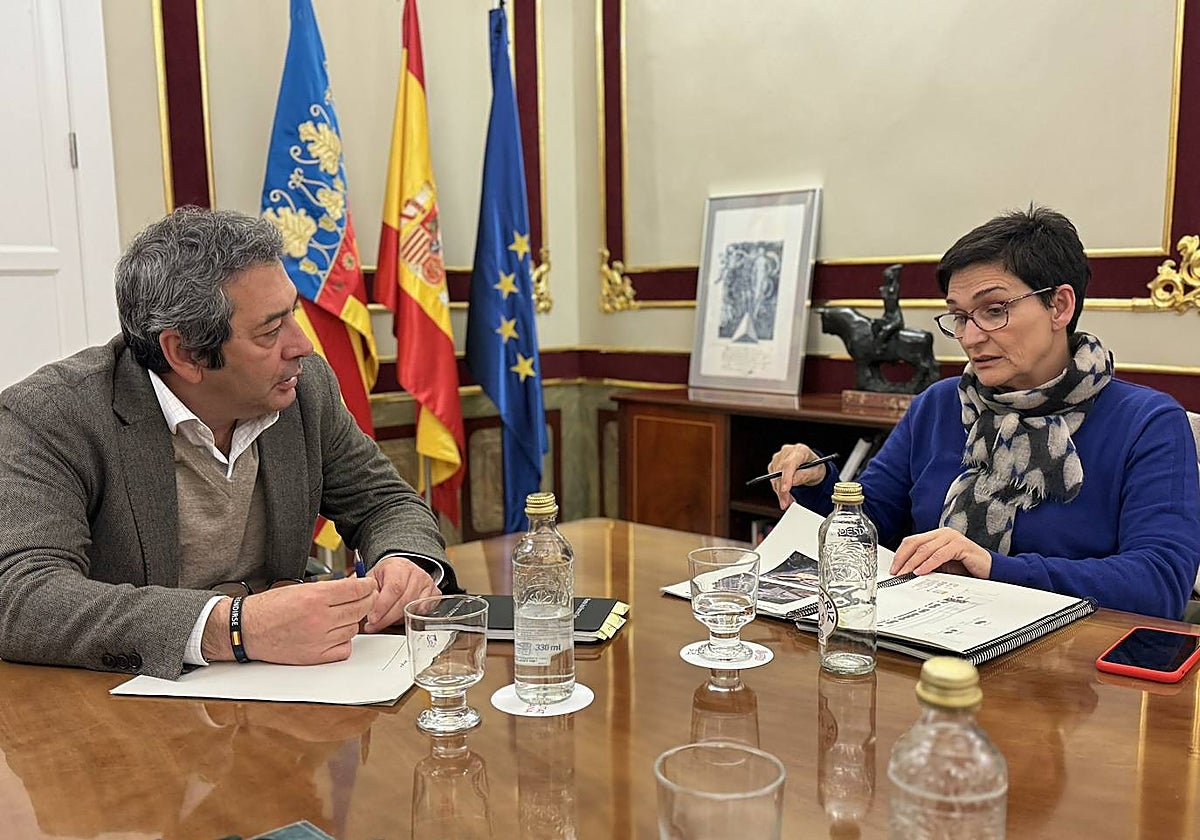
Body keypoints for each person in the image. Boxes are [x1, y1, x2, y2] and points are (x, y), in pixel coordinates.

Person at [0, 207, 457, 678]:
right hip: (119, 696)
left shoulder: (303, 388)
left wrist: (404, 562)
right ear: (185, 353)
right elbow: (20, 595)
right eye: (270, 331)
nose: (303, 345)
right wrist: (233, 627)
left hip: (288, 686)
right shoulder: (53, 414)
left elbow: (383, 502)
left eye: (293, 314)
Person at [769, 206, 1200, 620]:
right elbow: (869, 525)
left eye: (994, 310)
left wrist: (993, 568)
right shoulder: (938, 405)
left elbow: (1158, 584)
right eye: (959, 316)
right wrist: (817, 481)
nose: (971, 337)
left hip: (1078, 660)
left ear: (1059, 306)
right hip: (932, 640)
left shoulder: (1147, 422)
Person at [870, 263, 904, 355]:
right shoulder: (883, 289)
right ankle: (877, 345)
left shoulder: (894, 288)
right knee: (874, 324)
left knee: (885, 330)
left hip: (896, 318)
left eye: (890, 276)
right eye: (887, 276)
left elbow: (896, 279)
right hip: (887, 317)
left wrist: (896, 270)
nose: (889, 278)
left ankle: (880, 347)